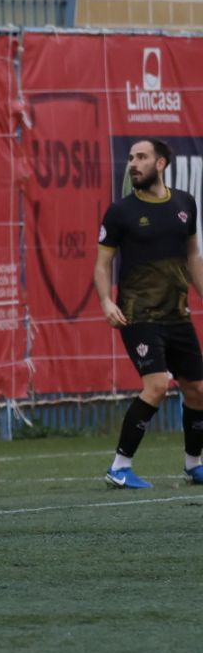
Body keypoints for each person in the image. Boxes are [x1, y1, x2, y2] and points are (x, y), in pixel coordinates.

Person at [93, 137, 203, 488]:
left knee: (198, 391)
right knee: (156, 385)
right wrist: (106, 302)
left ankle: (193, 464)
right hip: (137, 314)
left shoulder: (185, 204)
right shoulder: (120, 211)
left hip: (177, 314)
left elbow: (193, 257)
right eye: (130, 157)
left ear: (161, 163)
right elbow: (102, 265)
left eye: (141, 157)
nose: (133, 163)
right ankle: (120, 467)